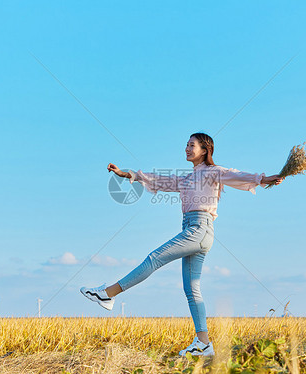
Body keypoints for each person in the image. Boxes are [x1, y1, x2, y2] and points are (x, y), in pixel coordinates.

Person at [80, 132, 284, 356]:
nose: (187, 148)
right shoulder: (187, 179)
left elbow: (236, 175)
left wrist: (264, 179)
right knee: (192, 289)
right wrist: (125, 174)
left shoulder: (212, 172)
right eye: (186, 145)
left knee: (154, 258)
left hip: (200, 228)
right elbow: (158, 179)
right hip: (193, 230)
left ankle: (108, 294)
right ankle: (204, 343)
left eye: (192, 145)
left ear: (205, 150)